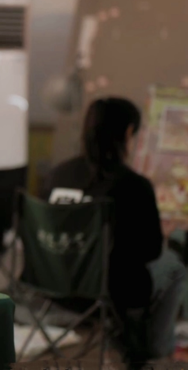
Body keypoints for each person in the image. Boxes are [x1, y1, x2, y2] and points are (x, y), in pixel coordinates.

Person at [42, 97, 186, 364]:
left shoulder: (57, 175)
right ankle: (154, 351)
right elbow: (150, 251)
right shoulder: (133, 185)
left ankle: (138, 341)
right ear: (129, 133)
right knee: (175, 266)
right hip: (109, 290)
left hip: (54, 284)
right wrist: (162, 234)